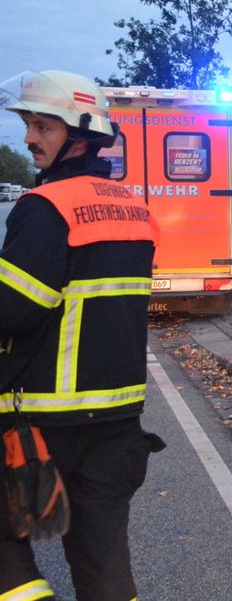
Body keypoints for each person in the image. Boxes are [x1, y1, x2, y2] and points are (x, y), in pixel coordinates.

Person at [0, 70, 164, 600]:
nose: (29, 138)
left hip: (41, 420)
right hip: (118, 422)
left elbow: (14, 310)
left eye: (43, 127)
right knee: (105, 563)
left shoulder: (43, 209)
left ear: (80, 133)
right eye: (29, 125)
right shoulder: (136, 210)